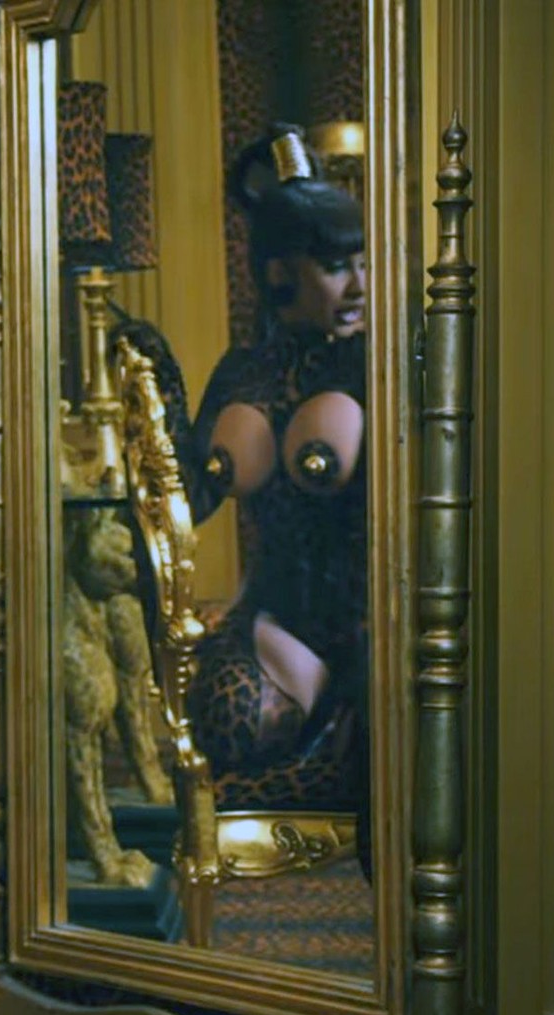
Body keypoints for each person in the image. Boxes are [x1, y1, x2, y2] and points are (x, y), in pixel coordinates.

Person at [187, 124, 371, 867]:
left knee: (378, 744)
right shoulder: (242, 373)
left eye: (364, 263)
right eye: (336, 267)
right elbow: (187, 498)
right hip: (274, 624)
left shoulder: (381, 367)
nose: (359, 286)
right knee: (229, 720)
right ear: (278, 274)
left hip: (372, 627)